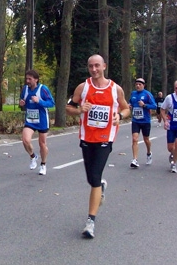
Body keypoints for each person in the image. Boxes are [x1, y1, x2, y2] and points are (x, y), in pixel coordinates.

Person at [66, 54, 130, 239]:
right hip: (87, 137)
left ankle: (90, 222)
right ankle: (100, 186)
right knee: (92, 178)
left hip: (105, 138)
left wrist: (121, 116)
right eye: (90, 66)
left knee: (94, 177)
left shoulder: (115, 89)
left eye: (97, 66)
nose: (94, 69)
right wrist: (79, 110)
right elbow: (68, 108)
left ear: (104, 66)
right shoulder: (83, 87)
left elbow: (126, 108)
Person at [19, 69, 55, 176]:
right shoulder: (25, 89)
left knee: (42, 144)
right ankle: (33, 156)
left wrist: (39, 101)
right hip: (30, 120)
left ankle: (43, 165)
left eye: (30, 79)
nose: (27, 81)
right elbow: (23, 101)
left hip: (42, 120)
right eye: (26, 79)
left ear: (36, 79)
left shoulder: (43, 89)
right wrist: (22, 103)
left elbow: (51, 103)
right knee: (25, 140)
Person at [129, 78, 157, 167]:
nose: (138, 86)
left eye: (140, 84)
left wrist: (144, 105)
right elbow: (131, 103)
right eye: (136, 84)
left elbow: (154, 106)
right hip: (135, 120)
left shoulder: (147, 94)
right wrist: (129, 105)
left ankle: (149, 153)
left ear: (143, 85)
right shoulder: (133, 94)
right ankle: (135, 159)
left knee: (146, 139)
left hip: (145, 121)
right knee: (135, 139)